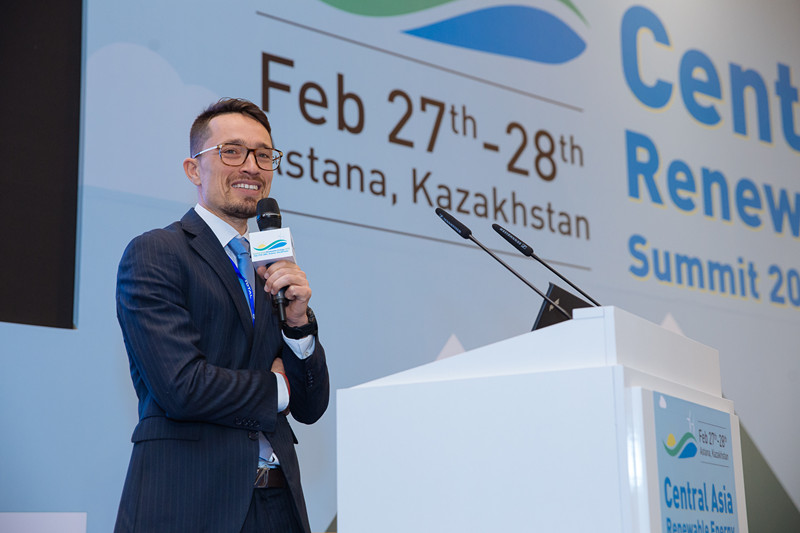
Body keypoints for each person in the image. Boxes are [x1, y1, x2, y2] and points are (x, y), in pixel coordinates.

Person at [114, 97, 329, 533]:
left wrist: (298, 324)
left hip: (278, 504)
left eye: (263, 155)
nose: (251, 166)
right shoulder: (157, 252)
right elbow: (182, 387)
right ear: (194, 169)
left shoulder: (271, 264)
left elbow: (310, 407)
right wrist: (279, 388)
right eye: (232, 151)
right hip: (190, 503)